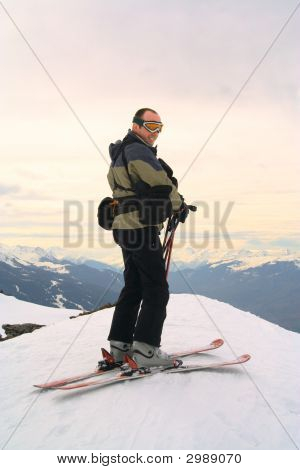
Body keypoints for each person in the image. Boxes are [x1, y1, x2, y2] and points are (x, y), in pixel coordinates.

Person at [106, 108, 188, 367]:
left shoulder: (120, 151)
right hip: (141, 226)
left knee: (134, 286)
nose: (155, 133)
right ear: (136, 125)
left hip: (124, 226)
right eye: (150, 126)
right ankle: (146, 351)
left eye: (159, 127)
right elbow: (160, 182)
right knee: (156, 288)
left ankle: (120, 346)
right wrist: (179, 205)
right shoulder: (138, 150)